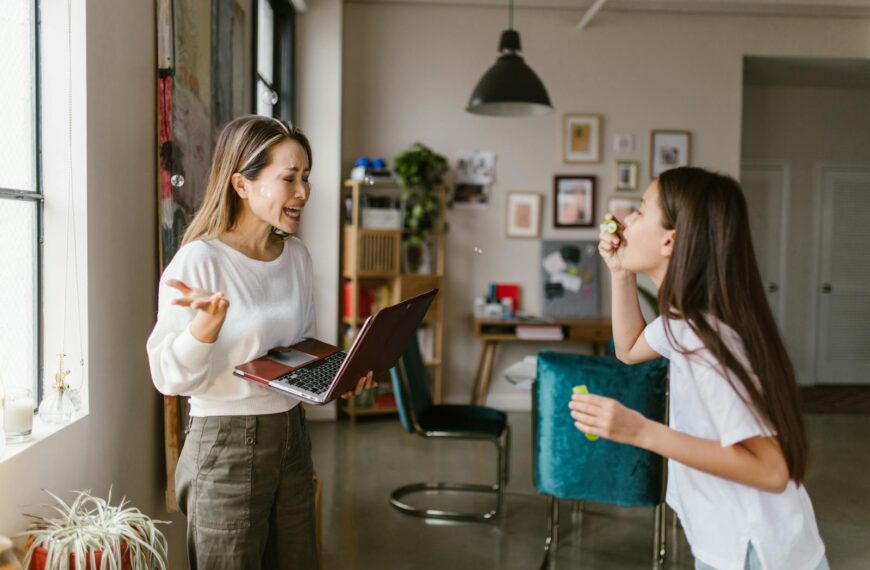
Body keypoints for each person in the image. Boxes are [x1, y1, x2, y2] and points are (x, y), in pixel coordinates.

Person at [570, 167, 828, 570]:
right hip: (734, 543)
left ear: (670, 240)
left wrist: (639, 430)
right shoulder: (686, 320)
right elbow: (630, 348)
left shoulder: (706, 338)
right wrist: (620, 272)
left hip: (754, 551)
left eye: (640, 210)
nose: (629, 219)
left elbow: (773, 469)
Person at [147, 115, 375, 569]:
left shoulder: (297, 256)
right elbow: (167, 377)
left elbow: (299, 350)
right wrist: (203, 330)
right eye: (289, 178)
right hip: (225, 445)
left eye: (305, 178)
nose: (303, 192)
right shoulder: (200, 260)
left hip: (290, 437)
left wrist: (335, 380)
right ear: (241, 184)